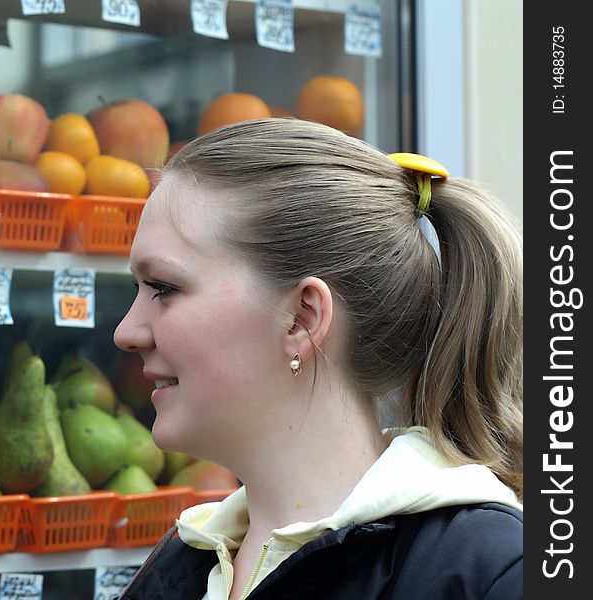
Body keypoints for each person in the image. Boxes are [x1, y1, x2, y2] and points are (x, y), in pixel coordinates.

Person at [113, 118, 522, 599]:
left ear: (302, 319)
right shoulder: (187, 561)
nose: (126, 332)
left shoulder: (492, 575)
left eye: (163, 288)